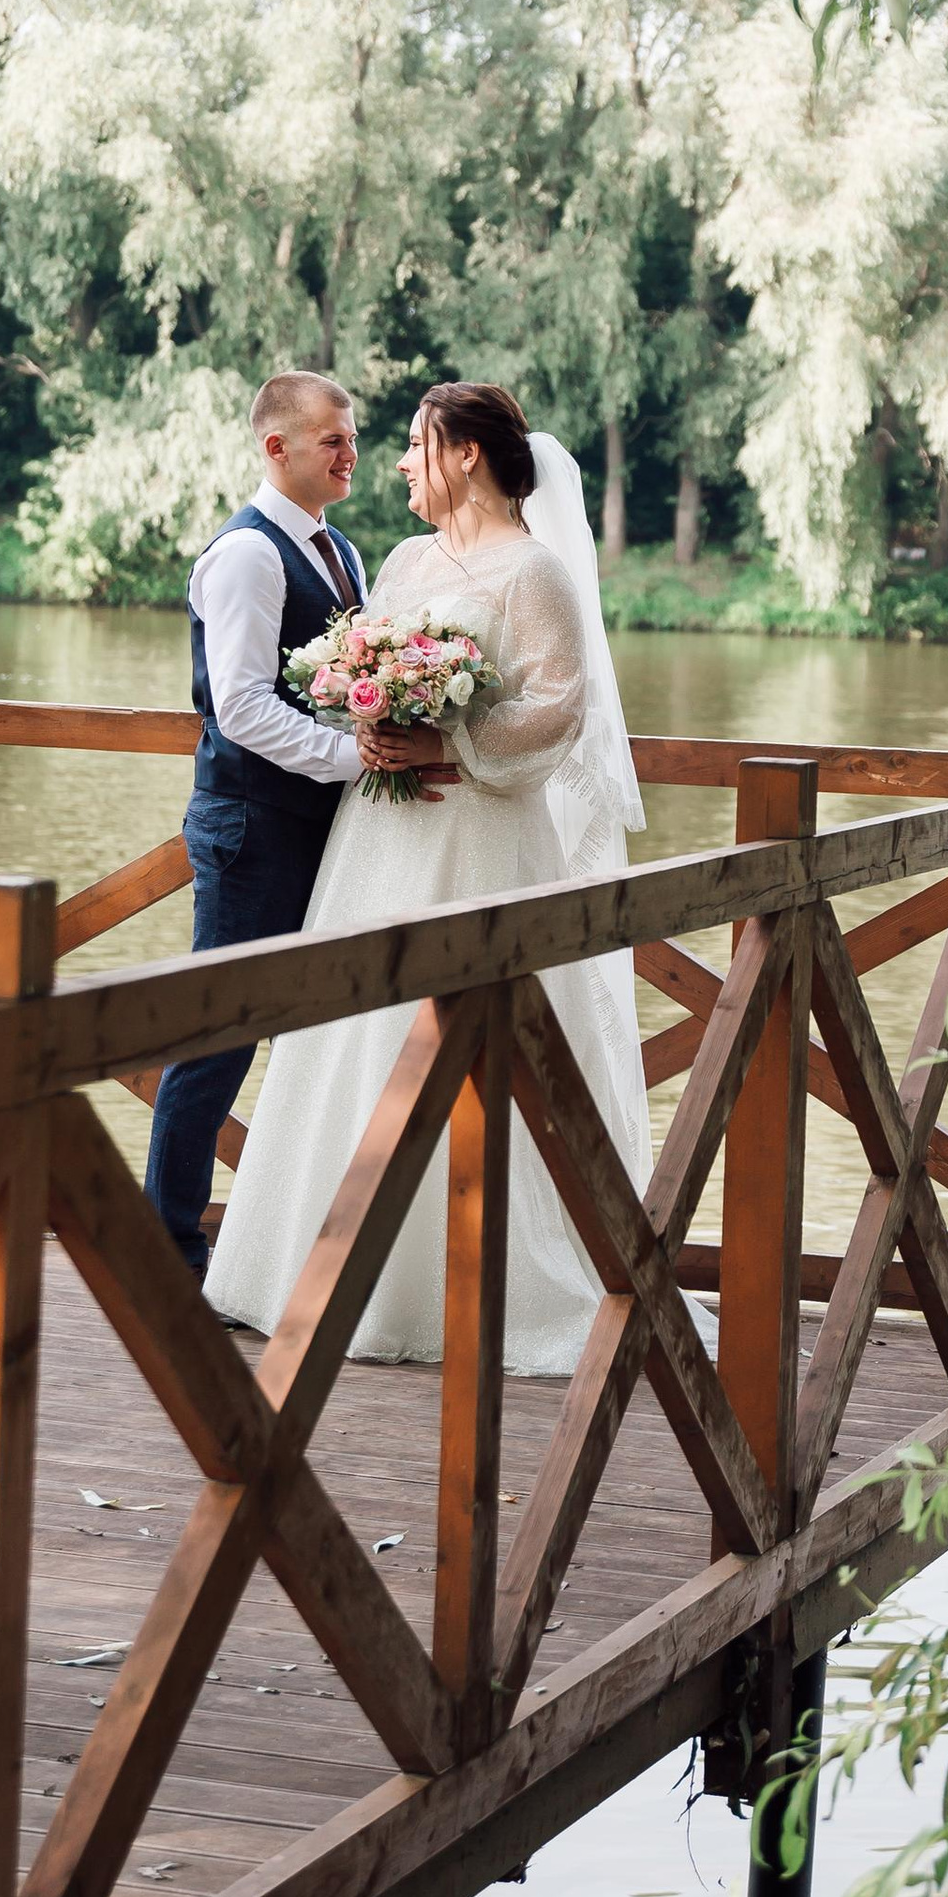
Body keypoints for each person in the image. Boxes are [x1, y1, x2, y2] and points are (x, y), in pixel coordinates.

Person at [205, 380, 652, 1372]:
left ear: (464, 454)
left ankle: (457, 1285)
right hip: (381, 835)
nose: (401, 462)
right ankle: (305, 1270)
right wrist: (366, 713)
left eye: (414, 444)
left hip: (476, 837)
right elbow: (355, 665)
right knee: (355, 1032)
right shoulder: (404, 560)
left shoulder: (533, 572)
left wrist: (456, 742)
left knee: (467, 1039)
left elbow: (558, 707)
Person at [146, 371, 449, 1278]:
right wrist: (358, 757)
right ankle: (166, 1256)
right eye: (332, 440)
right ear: (276, 448)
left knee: (323, 1041)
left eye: (353, 438)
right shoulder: (244, 555)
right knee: (217, 1039)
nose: (352, 454)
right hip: (251, 828)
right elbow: (239, 707)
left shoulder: (341, 552)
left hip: (320, 828)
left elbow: (317, 688)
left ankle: (272, 1250)